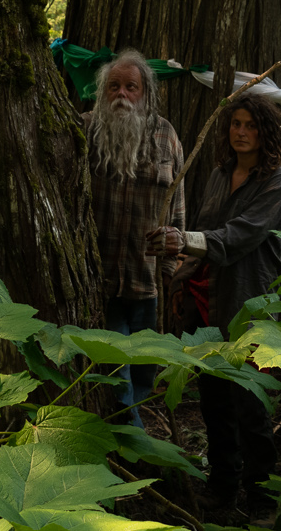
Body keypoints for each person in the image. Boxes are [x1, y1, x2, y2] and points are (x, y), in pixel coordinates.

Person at [159, 90, 281, 522]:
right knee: (213, 402)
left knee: (251, 408)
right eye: (236, 124)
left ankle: (262, 501)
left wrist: (187, 241)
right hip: (208, 302)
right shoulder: (220, 174)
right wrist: (181, 270)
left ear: (266, 131)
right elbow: (203, 225)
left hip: (249, 307)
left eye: (251, 125)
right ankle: (222, 488)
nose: (241, 132)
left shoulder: (277, 182)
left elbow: (240, 237)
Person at [83, 50, 186, 420]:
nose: (122, 94)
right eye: (114, 86)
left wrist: (171, 271)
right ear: (102, 91)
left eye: (131, 87)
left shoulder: (166, 134)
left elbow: (176, 208)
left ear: (145, 93)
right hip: (101, 281)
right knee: (118, 383)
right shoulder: (85, 130)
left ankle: (131, 442)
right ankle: (135, 451)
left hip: (146, 284)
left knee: (144, 376)